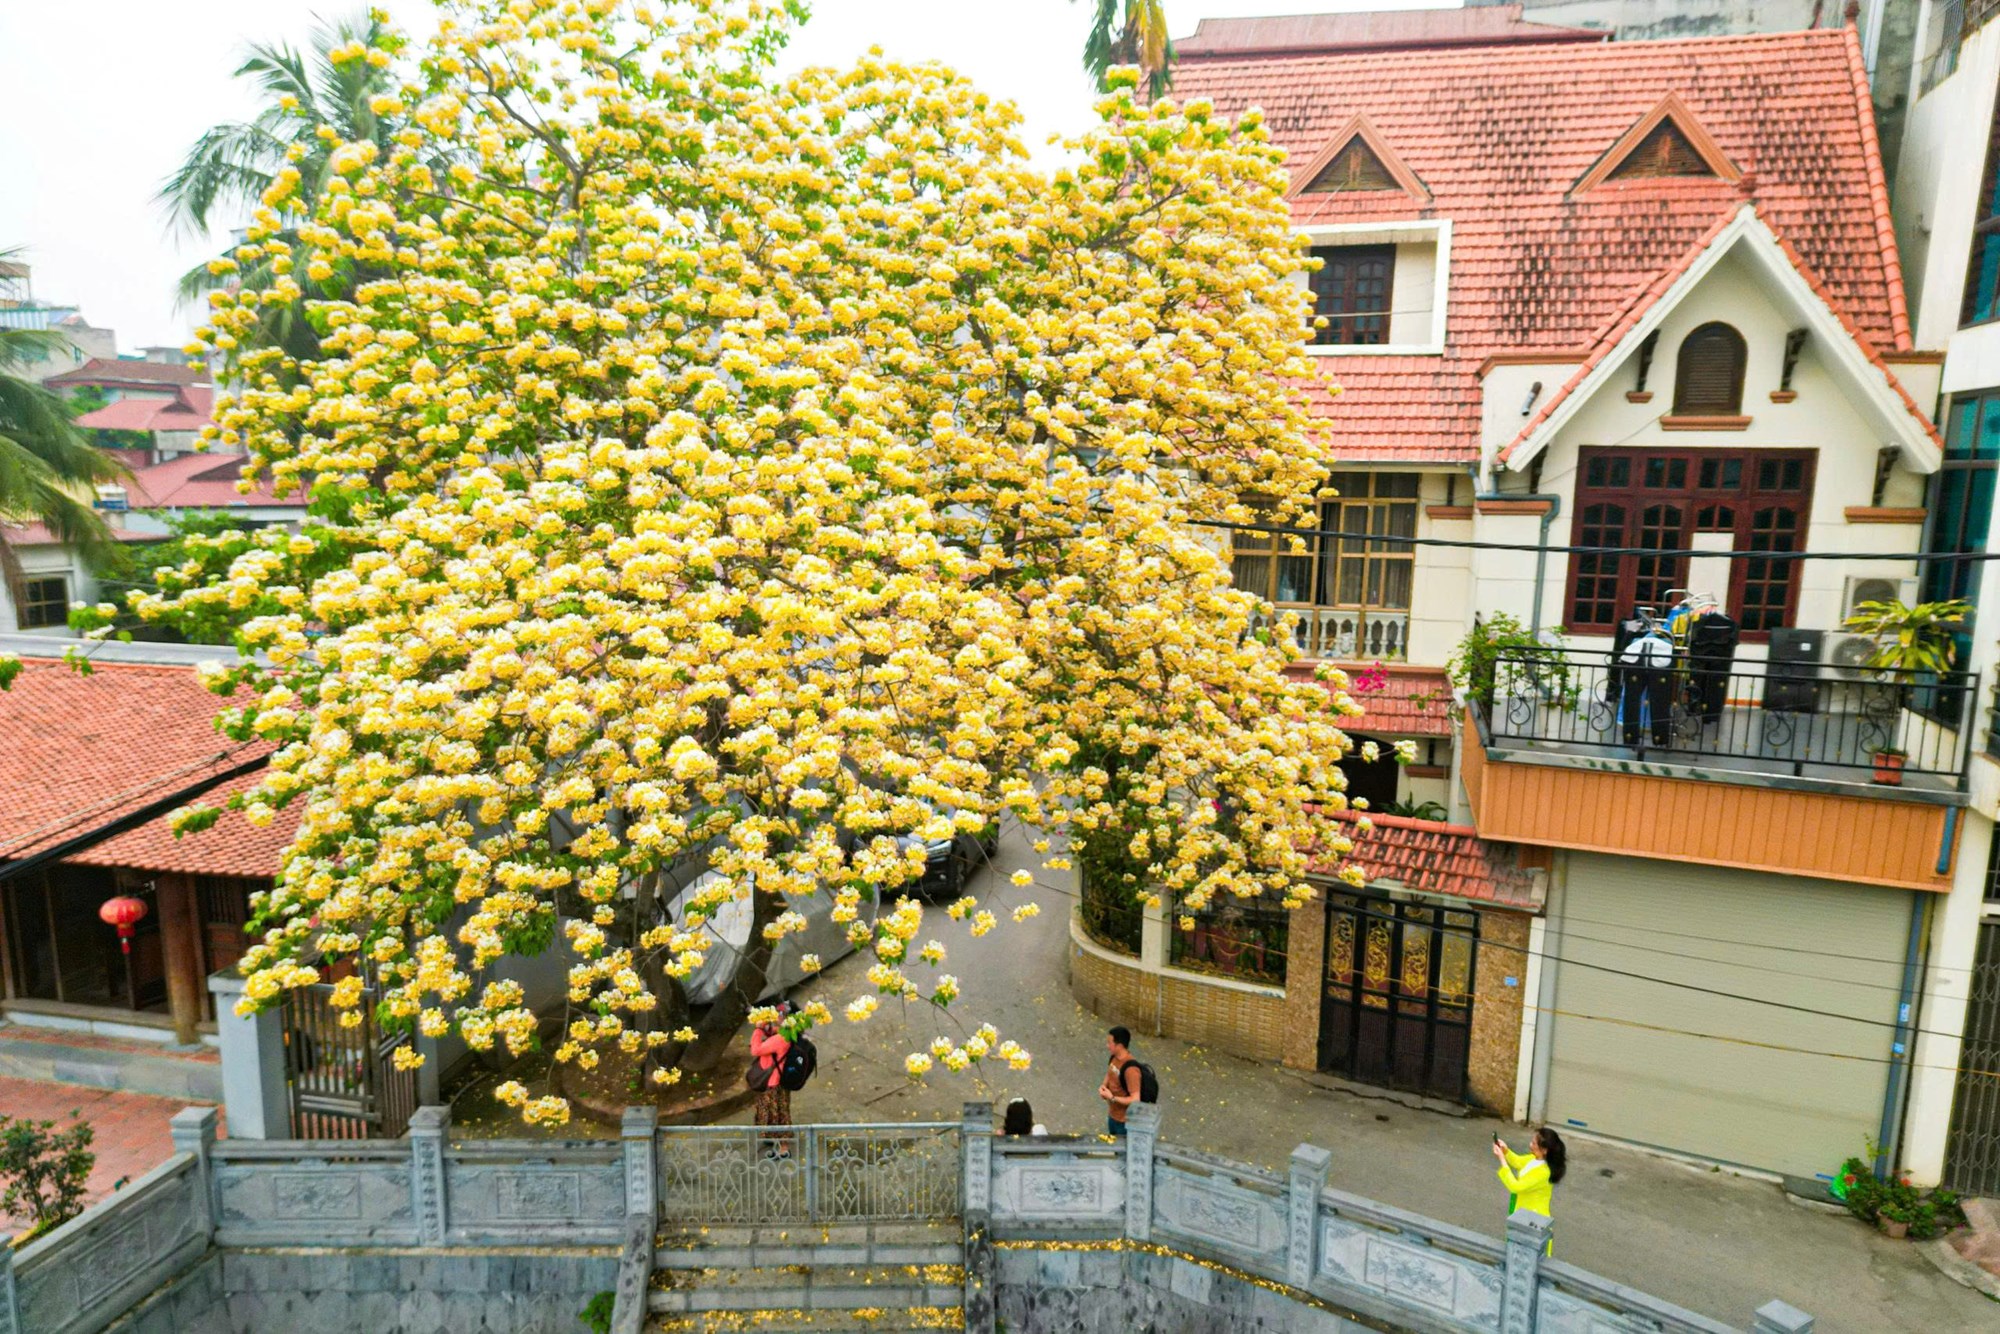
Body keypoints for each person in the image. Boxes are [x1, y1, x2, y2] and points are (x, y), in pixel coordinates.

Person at [1491, 1127, 1567, 1254]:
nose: (1530, 1145)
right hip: (1524, 1214)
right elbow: (1518, 1161)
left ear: (1544, 1150)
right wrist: (1505, 1151)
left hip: (1533, 1221)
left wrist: (1502, 1159)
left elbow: (1515, 1186)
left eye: (1533, 1143)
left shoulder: (1543, 1172)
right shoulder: (1535, 1159)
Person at [749, 1003, 795, 1150]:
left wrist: (757, 1029)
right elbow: (774, 1032)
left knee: (775, 1114)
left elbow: (756, 1050)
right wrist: (767, 1029)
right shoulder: (789, 1032)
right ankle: (772, 1138)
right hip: (780, 1080)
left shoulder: (780, 1039)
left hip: (772, 1082)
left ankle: (783, 1146)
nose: (777, 1017)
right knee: (778, 1112)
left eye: (780, 1014)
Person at [1098, 1026, 1143, 1137]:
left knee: (1121, 1152)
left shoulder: (1131, 1070)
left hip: (1124, 1121)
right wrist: (1104, 1086)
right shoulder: (1114, 1058)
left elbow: (1135, 1099)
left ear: (1119, 1046)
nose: (1107, 1046)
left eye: (1110, 1043)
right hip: (1113, 1116)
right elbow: (1110, 1073)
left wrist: (1112, 1098)